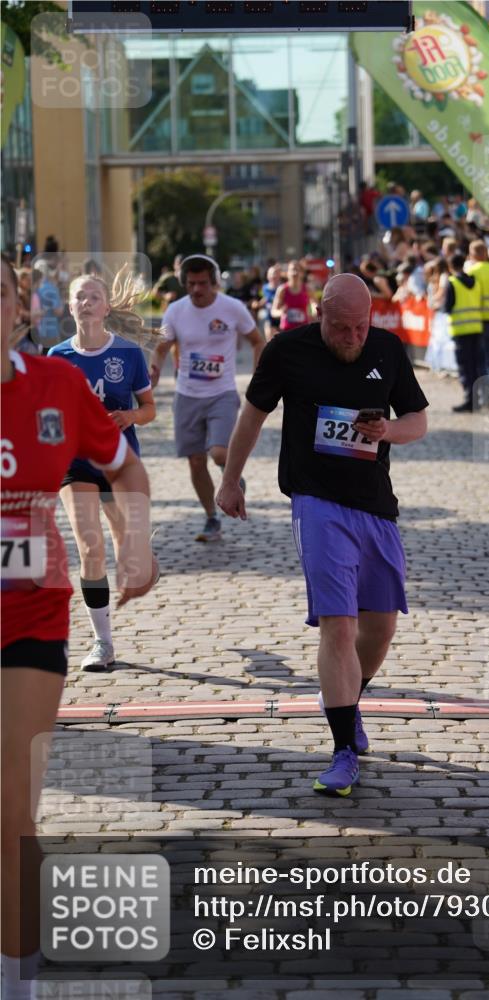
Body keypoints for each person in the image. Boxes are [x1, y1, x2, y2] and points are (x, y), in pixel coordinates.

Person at [0, 252, 156, 1000]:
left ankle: (17, 981)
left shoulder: (58, 384)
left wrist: (140, 547)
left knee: (13, 804)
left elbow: (125, 467)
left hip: (30, 612)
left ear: (20, 310)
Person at [217, 273, 428, 796]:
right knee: (338, 625)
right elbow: (253, 417)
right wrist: (229, 480)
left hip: (375, 506)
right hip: (315, 502)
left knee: (379, 629)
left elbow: (418, 419)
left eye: (361, 326)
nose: (353, 337)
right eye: (342, 328)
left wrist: (389, 433)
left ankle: (347, 700)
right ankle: (342, 749)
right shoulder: (288, 351)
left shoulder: (387, 349)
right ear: (319, 314)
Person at [47, 268, 157, 670]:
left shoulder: (127, 353)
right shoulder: (57, 356)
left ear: (106, 306)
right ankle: (102, 643)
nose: (86, 303)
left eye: (94, 296)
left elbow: (149, 410)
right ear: (69, 306)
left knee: (127, 551)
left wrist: (129, 416)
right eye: (79, 296)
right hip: (76, 464)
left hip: (118, 462)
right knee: (90, 547)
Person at [149, 254, 264, 542]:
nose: (197, 289)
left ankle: (232, 478)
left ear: (213, 282)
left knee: (218, 452)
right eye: (191, 284)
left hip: (221, 392)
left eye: (202, 283)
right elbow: (162, 348)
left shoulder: (232, 308)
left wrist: (258, 377)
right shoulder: (176, 311)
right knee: (196, 461)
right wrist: (152, 370)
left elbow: (257, 340)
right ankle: (211, 517)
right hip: (186, 394)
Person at [443, 252, 484, 412]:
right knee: (475, 365)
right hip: (476, 328)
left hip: (460, 330)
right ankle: (476, 399)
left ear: (451, 266)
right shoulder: (475, 281)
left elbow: (448, 307)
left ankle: (470, 400)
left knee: (465, 367)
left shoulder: (452, 282)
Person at [466, 240, 489, 408]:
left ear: (473, 254)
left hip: (478, 320)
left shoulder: (472, 271)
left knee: (481, 361)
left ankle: (486, 399)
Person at [271, 259, 315, 333]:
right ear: (287, 273)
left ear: (302, 273)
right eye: (292, 270)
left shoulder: (307, 289)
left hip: (303, 330)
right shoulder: (282, 289)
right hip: (286, 330)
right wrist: (281, 312)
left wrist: (314, 310)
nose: (294, 273)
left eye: (297, 270)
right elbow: (273, 311)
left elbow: (314, 304)